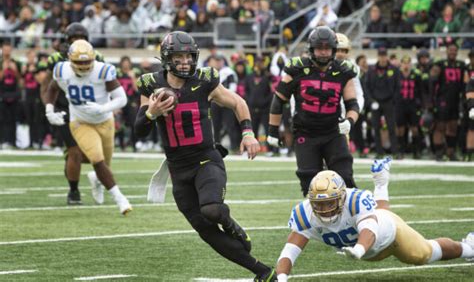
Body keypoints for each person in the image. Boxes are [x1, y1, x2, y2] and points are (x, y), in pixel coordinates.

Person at [133, 31, 276, 281]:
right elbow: (139, 131)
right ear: (167, 59)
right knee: (206, 230)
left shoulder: (205, 81)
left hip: (206, 159)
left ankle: (232, 225)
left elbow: (237, 102)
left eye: (189, 56)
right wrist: (151, 112)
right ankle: (263, 271)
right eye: (179, 57)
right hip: (178, 168)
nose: (185, 61)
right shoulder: (151, 85)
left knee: (212, 210)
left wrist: (248, 133)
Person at [275, 158, 474, 281]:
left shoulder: (355, 200)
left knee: (424, 254)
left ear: (342, 197)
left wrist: (359, 249)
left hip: (389, 236)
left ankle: (468, 247)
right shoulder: (304, 214)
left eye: (329, 203)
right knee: (379, 211)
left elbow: (369, 229)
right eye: (319, 204)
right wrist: (281, 278)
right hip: (369, 249)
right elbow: (289, 252)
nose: (324, 209)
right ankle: (381, 181)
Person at [267, 26, 360, 197]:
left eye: (327, 48)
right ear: (311, 49)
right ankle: (318, 221)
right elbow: (278, 100)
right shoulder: (297, 69)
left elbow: (352, 104)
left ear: (333, 49)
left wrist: (349, 121)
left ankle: (352, 219)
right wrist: (272, 131)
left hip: (333, 132)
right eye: (319, 48)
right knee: (310, 181)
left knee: (345, 178)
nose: (324, 52)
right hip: (306, 133)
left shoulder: (343, 71)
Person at [43, 39, 132, 215]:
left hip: (105, 121)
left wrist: (103, 108)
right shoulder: (62, 70)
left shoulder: (102, 70)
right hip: (80, 122)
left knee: (105, 164)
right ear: (70, 60)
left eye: (86, 61)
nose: (83, 66)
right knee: (96, 159)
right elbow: (52, 89)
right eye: (79, 62)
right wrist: (49, 110)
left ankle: (97, 180)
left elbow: (122, 98)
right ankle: (120, 199)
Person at [40, 22, 104, 205]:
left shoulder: (97, 57)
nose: (78, 42)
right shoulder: (57, 59)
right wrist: (48, 108)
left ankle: (79, 173)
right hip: (66, 109)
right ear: (67, 41)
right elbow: (46, 86)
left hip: (90, 110)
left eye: (81, 39)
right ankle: (74, 190)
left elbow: (106, 84)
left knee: (95, 154)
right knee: (75, 152)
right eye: (74, 39)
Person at [431, 43, 467, 161]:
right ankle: (438, 152)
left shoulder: (461, 65)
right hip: (442, 100)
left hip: (455, 100)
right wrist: (432, 101)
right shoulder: (440, 64)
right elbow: (432, 81)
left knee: (453, 127)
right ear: (446, 51)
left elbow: (465, 83)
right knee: (440, 126)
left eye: (455, 50)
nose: (452, 52)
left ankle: (450, 153)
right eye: (450, 50)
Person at [364, 47, 400, 158]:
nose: (383, 57)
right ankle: (379, 152)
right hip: (375, 102)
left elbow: (397, 86)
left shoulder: (393, 69)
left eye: (384, 55)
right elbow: (367, 87)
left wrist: (393, 100)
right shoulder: (372, 70)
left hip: (388, 102)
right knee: (376, 127)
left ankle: (395, 151)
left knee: (391, 127)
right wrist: (371, 101)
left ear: (387, 56)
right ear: (378, 56)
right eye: (381, 55)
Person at [395, 56, 423, 159]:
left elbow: (420, 90)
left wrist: (420, 104)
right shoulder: (397, 75)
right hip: (400, 105)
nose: (406, 65)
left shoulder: (416, 75)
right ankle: (400, 151)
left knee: (414, 128)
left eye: (408, 63)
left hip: (412, 105)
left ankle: (416, 151)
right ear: (401, 64)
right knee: (400, 129)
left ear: (411, 64)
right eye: (404, 63)